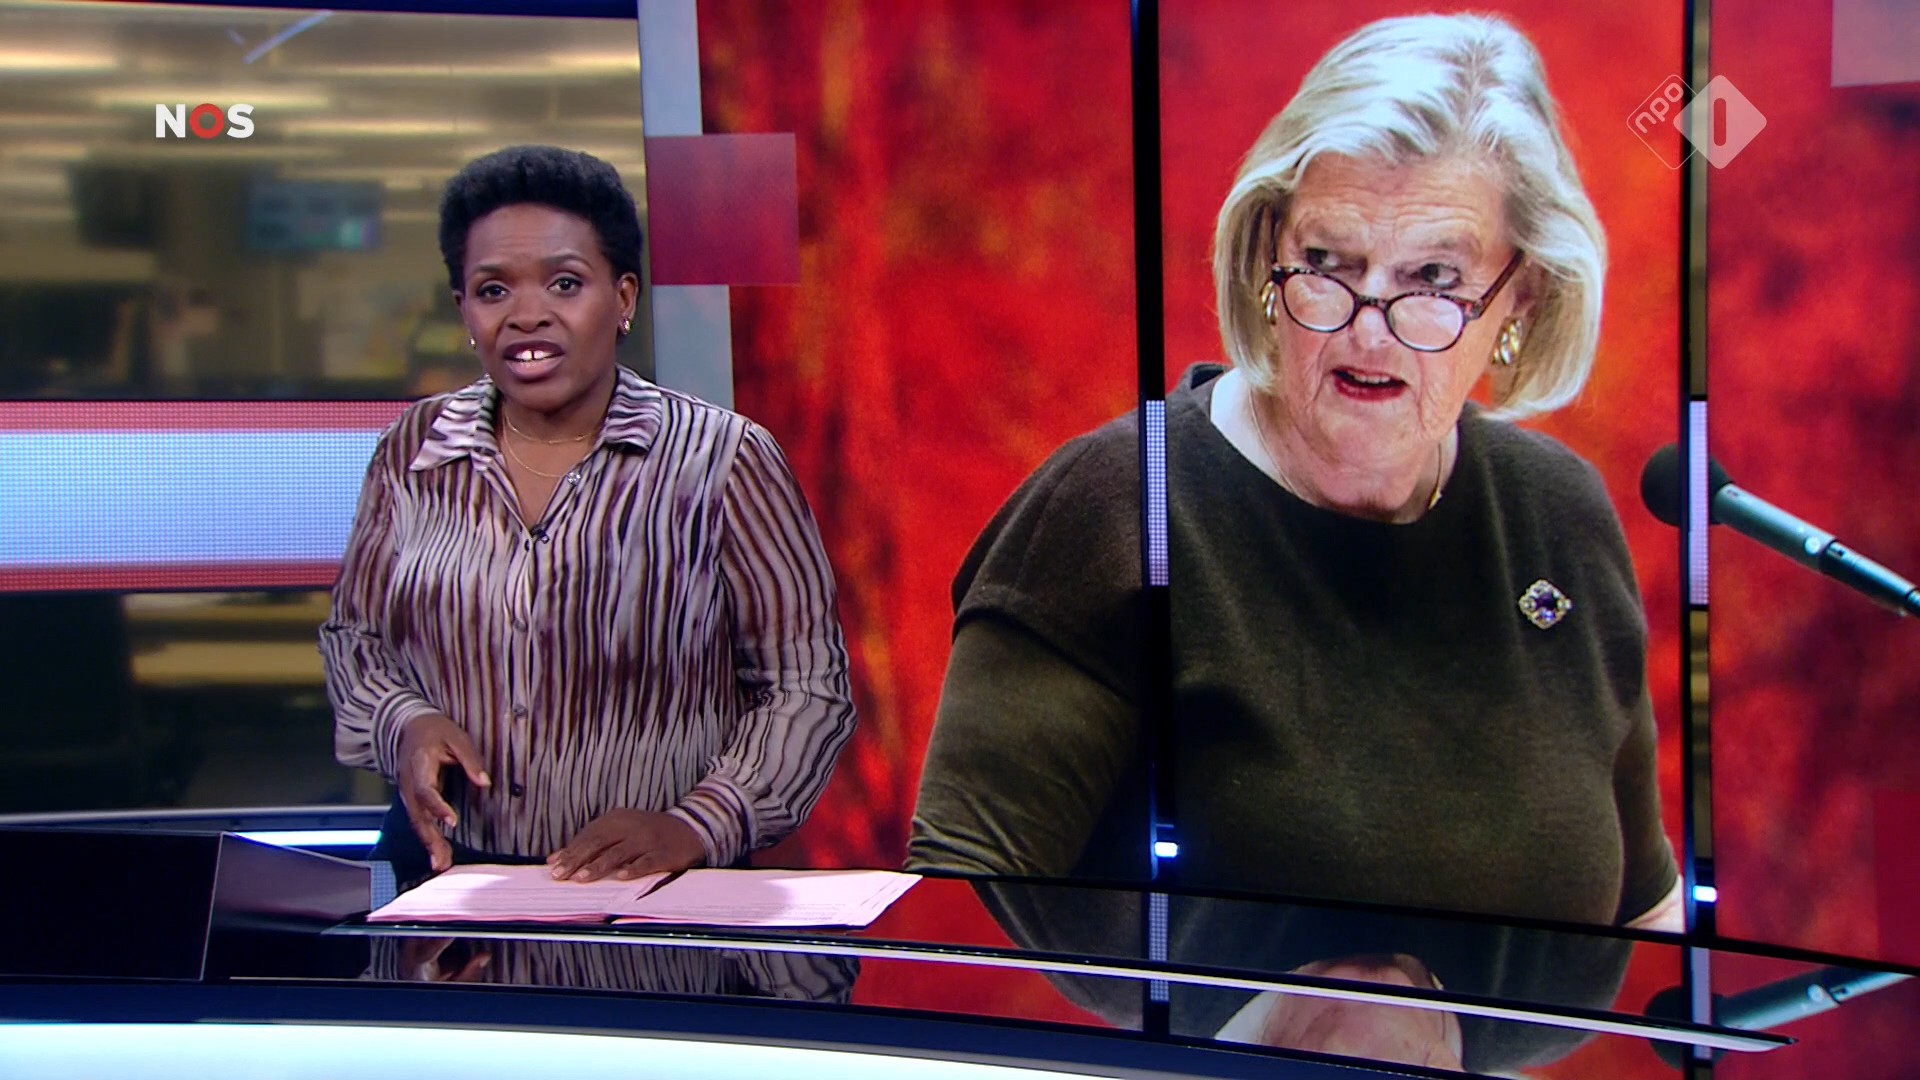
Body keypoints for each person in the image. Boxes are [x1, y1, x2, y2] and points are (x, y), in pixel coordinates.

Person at [908, 14, 1680, 1072]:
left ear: (1523, 297)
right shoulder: (1116, 508)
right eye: (1328, 262)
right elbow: (940, 942)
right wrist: (1238, 1038)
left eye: (1433, 279)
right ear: (1267, 255)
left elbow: (1646, 916)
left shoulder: (1562, 516)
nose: (1368, 326)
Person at [323, 145, 856, 887]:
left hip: (658, 890)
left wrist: (698, 823)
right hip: (444, 881)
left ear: (624, 297)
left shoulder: (724, 459)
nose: (527, 315)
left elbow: (807, 687)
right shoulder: (412, 450)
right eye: (493, 290)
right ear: (464, 310)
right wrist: (403, 723)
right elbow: (356, 641)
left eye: (565, 283)